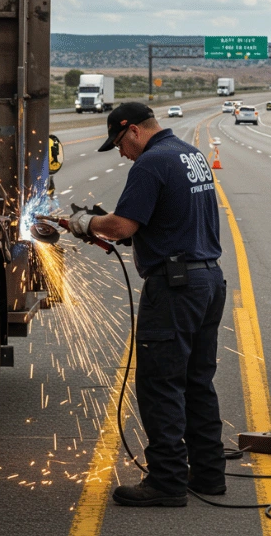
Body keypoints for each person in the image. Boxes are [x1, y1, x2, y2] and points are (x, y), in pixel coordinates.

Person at [67, 102, 226, 507]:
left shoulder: (151, 163)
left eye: (120, 143)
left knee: (160, 384)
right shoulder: (191, 155)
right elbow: (168, 218)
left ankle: (168, 481)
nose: (121, 152)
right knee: (197, 382)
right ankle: (208, 475)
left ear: (134, 130)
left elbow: (123, 226)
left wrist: (86, 223)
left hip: (176, 288)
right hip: (208, 280)